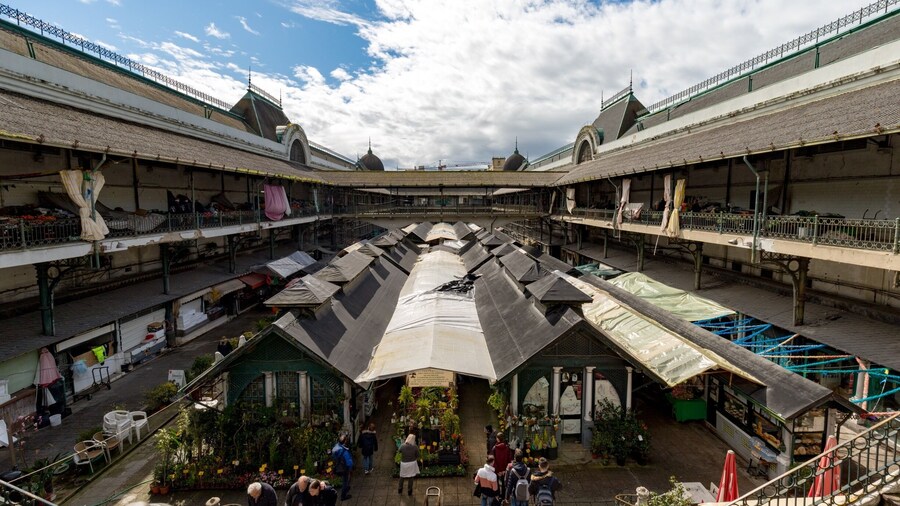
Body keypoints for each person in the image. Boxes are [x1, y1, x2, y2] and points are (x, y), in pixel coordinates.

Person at [331, 434, 353, 501]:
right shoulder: (344, 451)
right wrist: (350, 468)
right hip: (344, 468)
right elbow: (349, 462)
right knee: (345, 481)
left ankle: (346, 488)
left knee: (344, 479)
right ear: (345, 441)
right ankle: (343, 496)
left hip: (339, 466)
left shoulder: (336, 448)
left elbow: (334, 457)